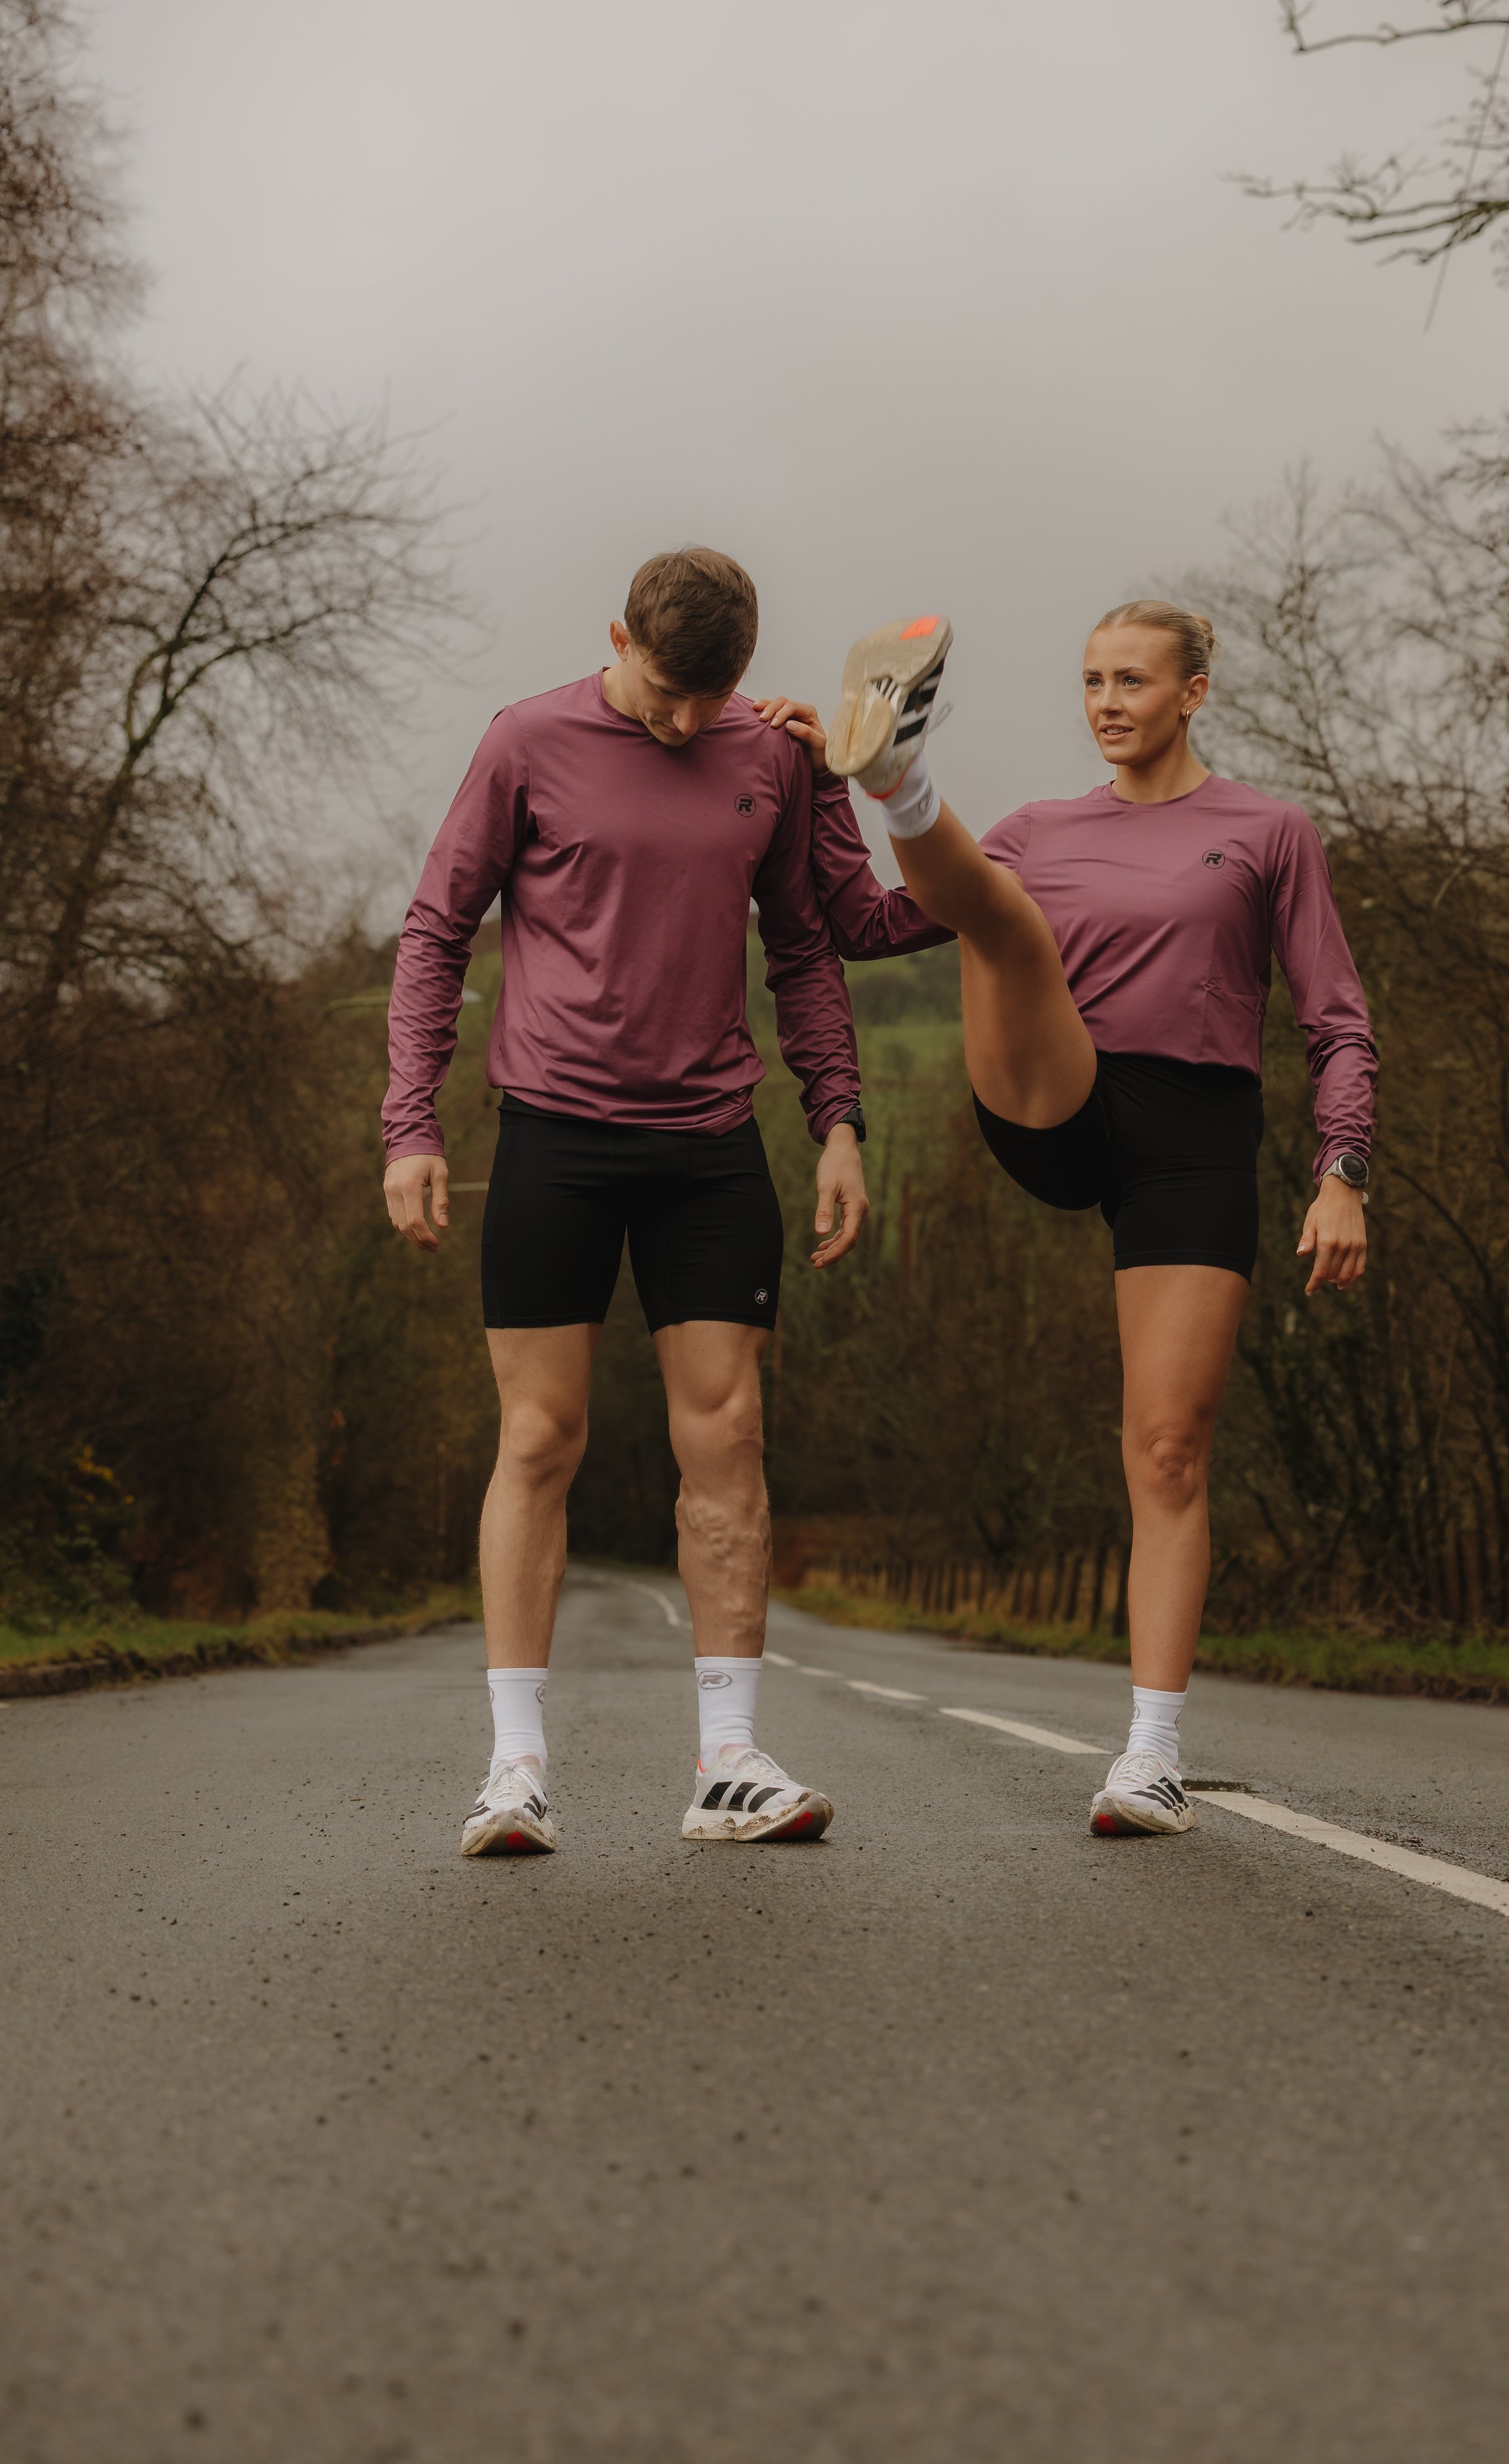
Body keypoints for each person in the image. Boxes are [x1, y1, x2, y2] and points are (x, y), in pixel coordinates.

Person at [752, 604, 1376, 1837]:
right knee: (1006, 913)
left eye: (1132, 680)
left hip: (1195, 1140)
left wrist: (1342, 1168)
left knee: (1167, 1450)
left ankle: (1149, 1755)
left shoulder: (1269, 833)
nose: (1105, 701)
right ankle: (897, 771)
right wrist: (823, 783)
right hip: (1056, 1090)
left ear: (1195, 691)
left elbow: (1336, 1019)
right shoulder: (1041, 830)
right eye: (1091, 680)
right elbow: (870, 926)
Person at [382, 547, 872, 1857]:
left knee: (728, 1436)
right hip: (553, 1137)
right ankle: (516, 1771)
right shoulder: (526, 741)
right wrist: (409, 1125)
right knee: (539, 1442)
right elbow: (435, 932)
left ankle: (727, 1761)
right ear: (615, 636)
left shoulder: (765, 756)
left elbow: (806, 944)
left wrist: (838, 1118)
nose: (680, 722)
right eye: (661, 693)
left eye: (706, 699)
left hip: (710, 1145)